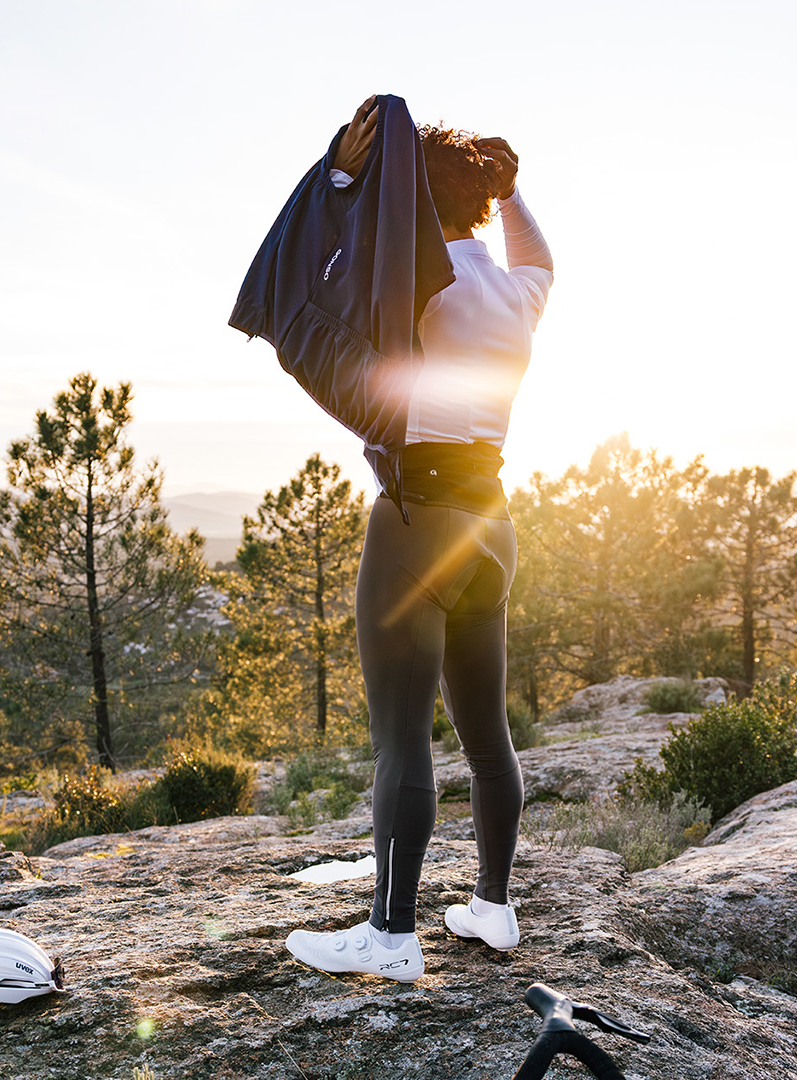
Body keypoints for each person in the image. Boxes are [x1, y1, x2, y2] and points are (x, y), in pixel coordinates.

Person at [286, 97, 553, 983]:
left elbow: (319, 283)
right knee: (487, 739)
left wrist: (341, 176)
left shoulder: (417, 288)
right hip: (493, 527)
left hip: (416, 522)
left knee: (402, 738)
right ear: (482, 202)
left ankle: (391, 936)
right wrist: (509, 194)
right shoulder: (518, 293)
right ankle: (492, 910)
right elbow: (540, 255)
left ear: (410, 199)